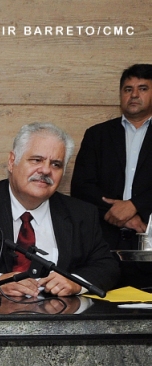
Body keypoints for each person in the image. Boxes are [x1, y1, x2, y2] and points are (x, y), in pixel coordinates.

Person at [0, 122, 119, 298]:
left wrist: (76, 283)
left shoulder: (81, 214)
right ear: (12, 161)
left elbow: (107, 266)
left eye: (56, 164)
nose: (45, 170)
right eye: (36, 160)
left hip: (55, 325)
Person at [71, 65, 152, 250]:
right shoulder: (97, 134)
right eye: (128, 89)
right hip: (102, 239)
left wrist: (135, 205)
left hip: (148, 234)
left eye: (143, 88)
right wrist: (120, 215)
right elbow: (81, 187)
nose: (134, 95)